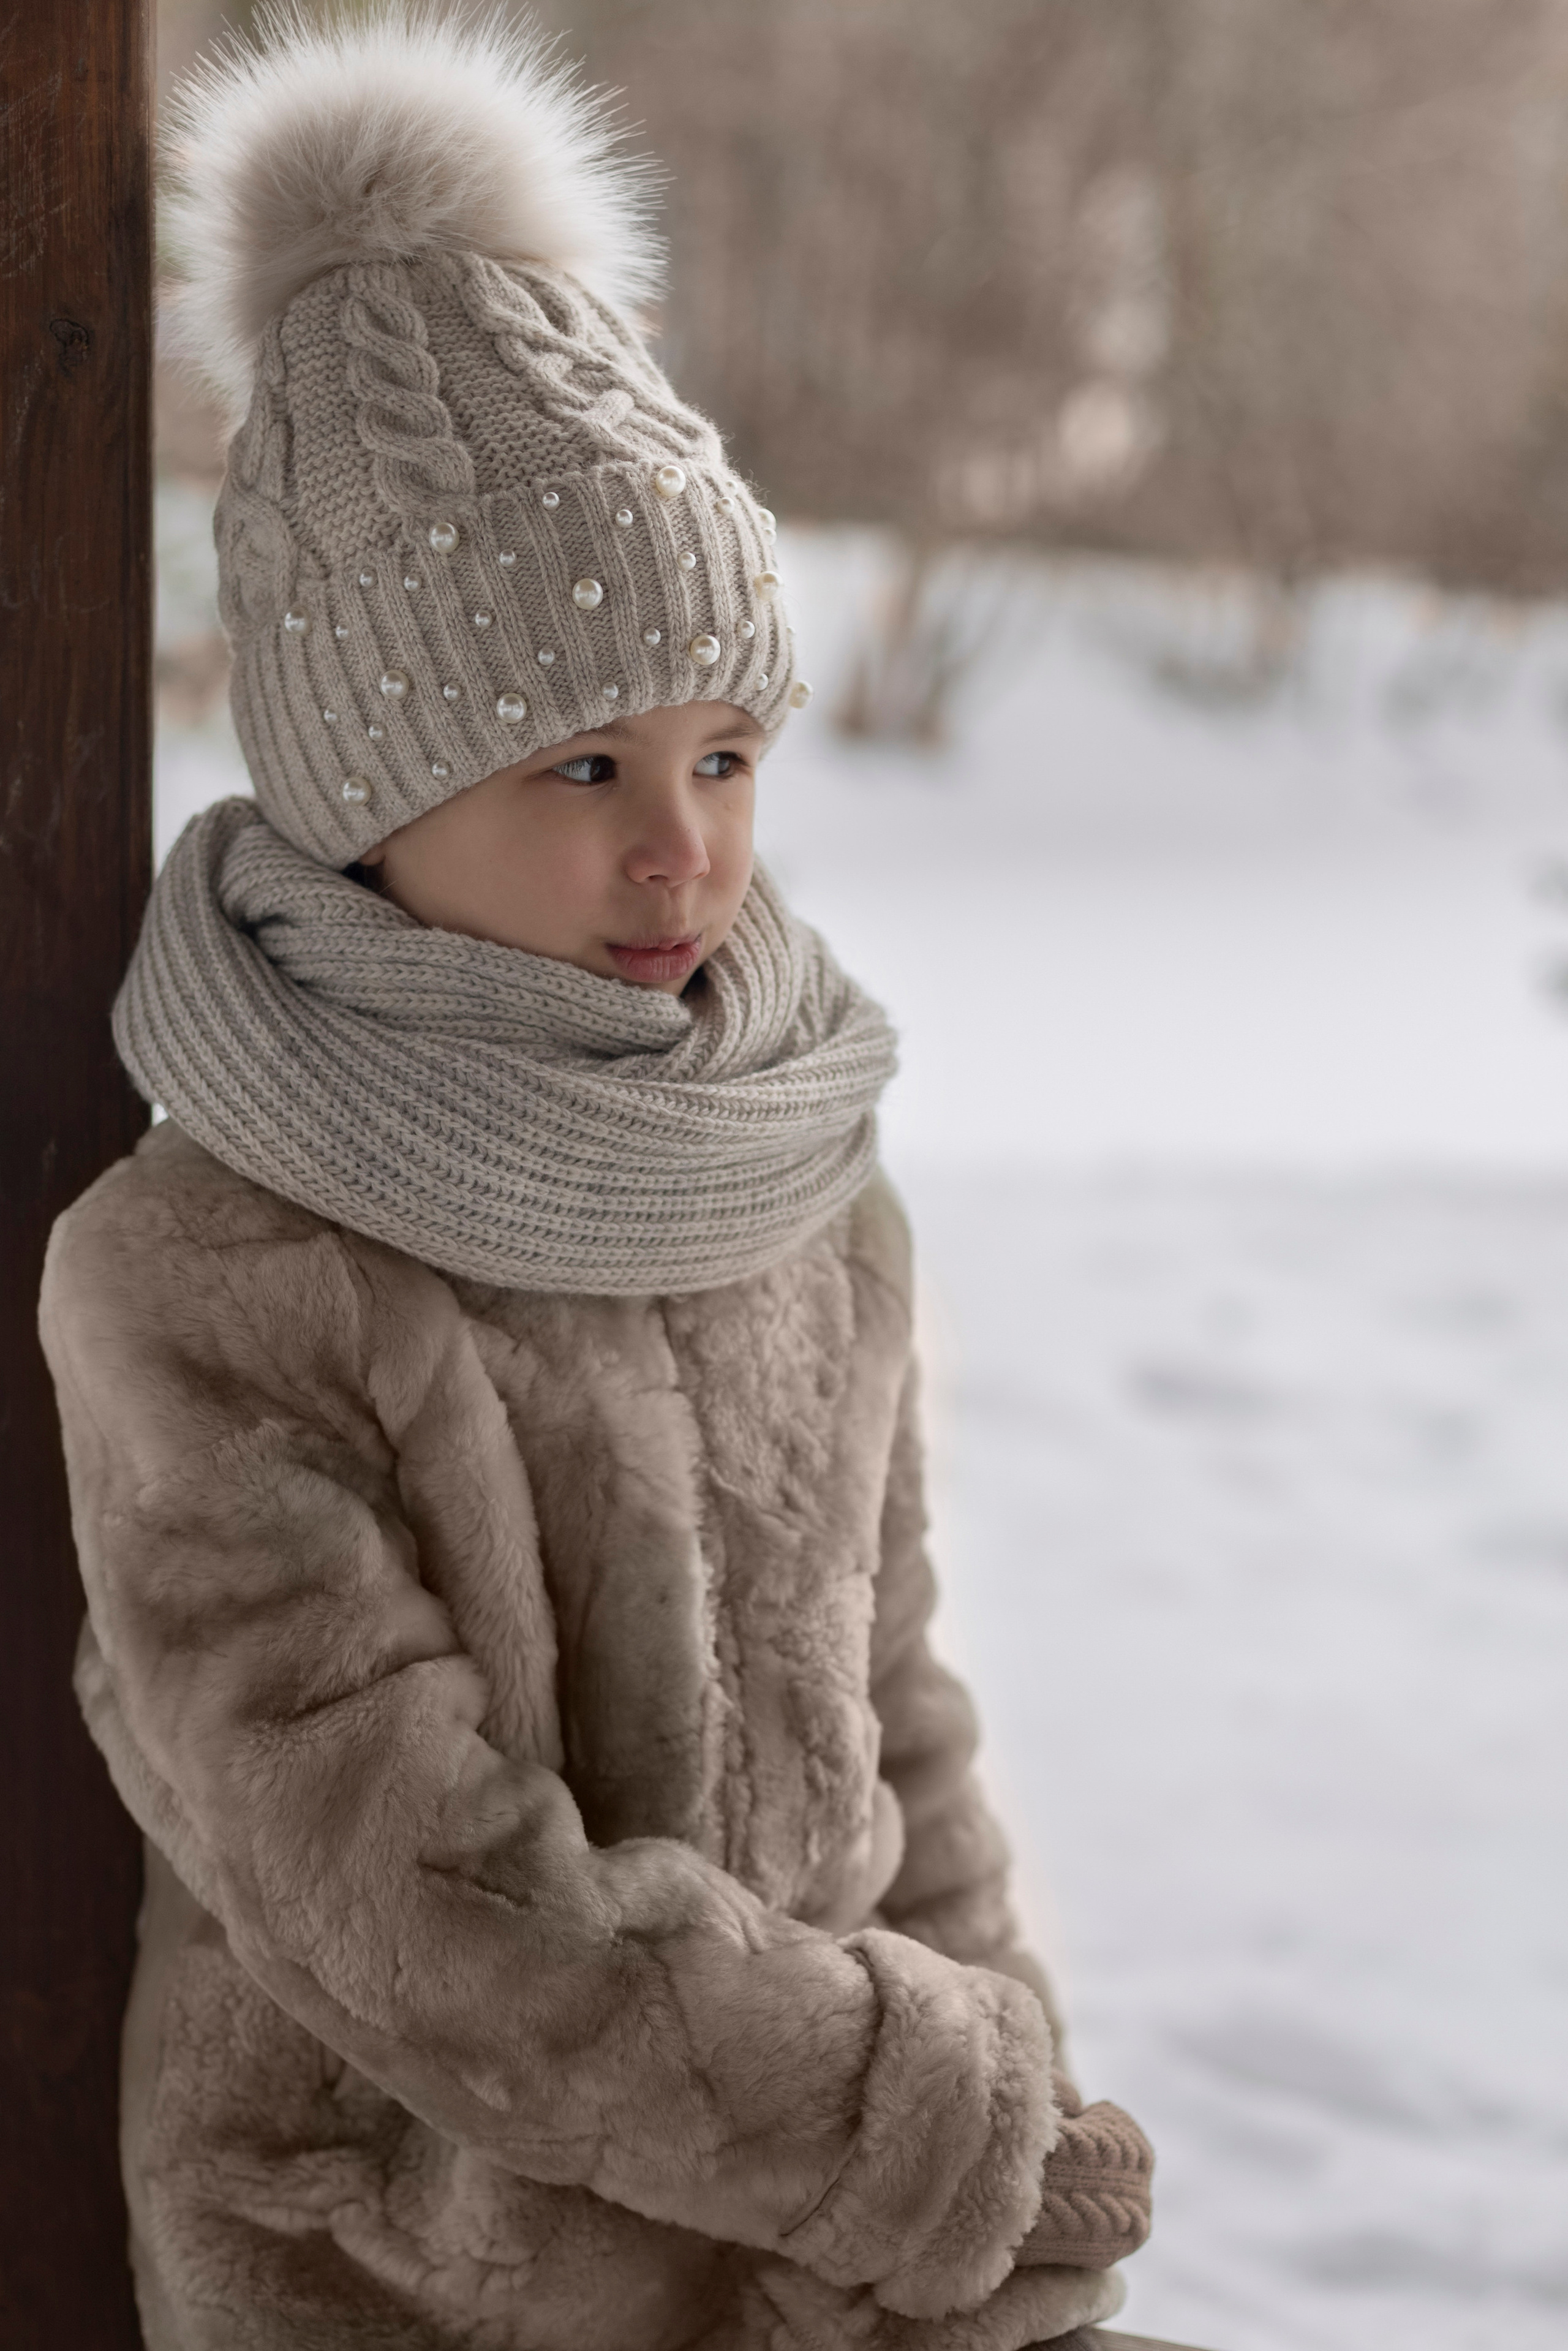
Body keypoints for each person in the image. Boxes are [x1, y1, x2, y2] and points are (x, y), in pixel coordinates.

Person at [39, 10, 1152, 2347]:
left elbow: (896, 1714)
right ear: (364, 782)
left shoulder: (800, 1172)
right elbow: (402, 1888)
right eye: (581, 763)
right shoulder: (214, 1266)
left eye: (729, 751)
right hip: (414, 2267)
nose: (686, 850)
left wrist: (1002, 2160)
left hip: (831, 2252)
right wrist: (924, 2134)